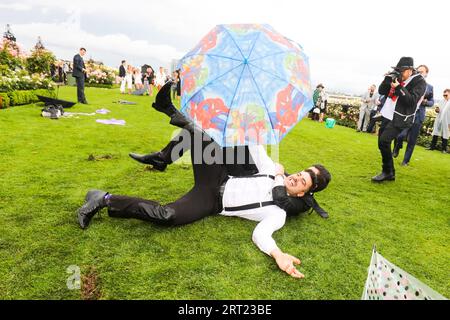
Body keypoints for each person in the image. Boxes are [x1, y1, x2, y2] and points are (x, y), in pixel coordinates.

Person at [78, 82, 332, 278]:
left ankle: (102, 198)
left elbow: (261, 235)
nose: (298, 177)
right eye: (301, 173)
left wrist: (278, 254)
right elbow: (253, 147)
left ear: (303, 194)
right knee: (206, 135)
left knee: (168, 216)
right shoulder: (271, 169)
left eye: (303, 181)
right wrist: (245, 116)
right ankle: (168, 110)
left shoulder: (279, 214)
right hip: (218, 175)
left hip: (211, 200)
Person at [372, 57, 426, 183]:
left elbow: (411, 102)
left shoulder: (420, 82)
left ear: (409, 71)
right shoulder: (397, 77)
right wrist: (387, 80)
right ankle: (390, 172)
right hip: (387, 113)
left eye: (401, 71)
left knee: (384, 141)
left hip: (401, 118)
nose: (399, 73)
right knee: (381, 142)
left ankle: (387, 172)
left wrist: (398, 87)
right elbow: (382, 91)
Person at [392, 65, 435, 165]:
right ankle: (397, 147)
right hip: (408, 114)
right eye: (418, 71)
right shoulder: (411, 82)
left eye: (422, 71)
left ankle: (405, 161)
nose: (419, 73)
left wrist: (426, 102)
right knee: (400, 135)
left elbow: (432, 101)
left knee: (412, 140)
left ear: (426, 74)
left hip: (419, 115)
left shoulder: (429, 87)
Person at [427, 89, 450, 153]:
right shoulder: (441, 101)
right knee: (435, 133)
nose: (444, 96)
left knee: (445, 135)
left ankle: (444, 149)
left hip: (447, 121)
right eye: (444, 95)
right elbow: (437, 110)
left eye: (446, 95)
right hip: (439, 120)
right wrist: (436, 110)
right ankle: (432, 147)